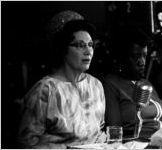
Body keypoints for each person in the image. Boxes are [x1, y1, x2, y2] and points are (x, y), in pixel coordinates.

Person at [17, 10, 106, 148]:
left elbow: (99, 132)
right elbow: (26, 143)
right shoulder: (45, 90)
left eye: (90, 45)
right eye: (80, 45)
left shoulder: (96, 86)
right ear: (63, 49)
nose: (88, 51)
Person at [102, 27, 162, 140]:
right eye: (136, 56)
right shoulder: (111, 84)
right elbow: (114, 132)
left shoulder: (146, 83)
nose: (142, 62)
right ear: (121, 58)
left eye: (144, 56)